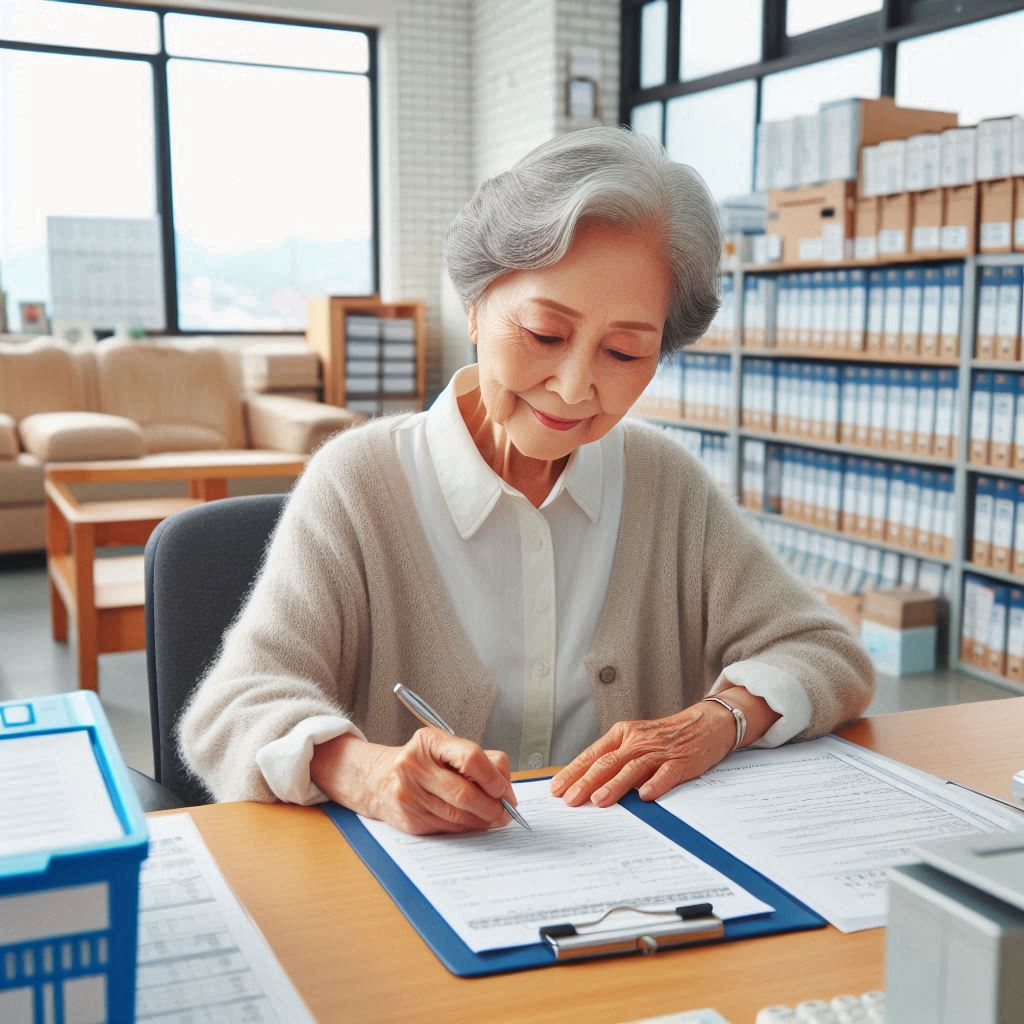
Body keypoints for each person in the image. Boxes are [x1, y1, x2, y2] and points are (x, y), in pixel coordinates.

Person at [178, 126, 875, 835]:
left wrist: (720, 718)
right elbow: (234, 707)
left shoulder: (666, 482)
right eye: (545, 334)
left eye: (625, 352)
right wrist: (365, 772)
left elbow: (827, 653)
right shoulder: (359, 482)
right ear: (476, 307)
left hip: (636, 890)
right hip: (413, 894)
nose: (575, 388)